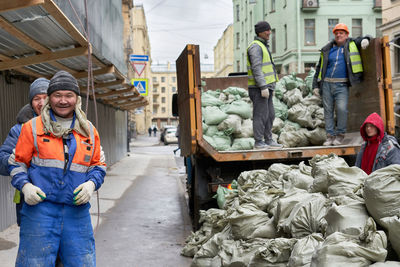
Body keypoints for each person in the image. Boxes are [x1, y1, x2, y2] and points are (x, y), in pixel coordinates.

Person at [8, 70, 106, 266]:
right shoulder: (32, 128)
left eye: (68, 95)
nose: (63, 101)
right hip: (39, 212)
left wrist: (91, 185)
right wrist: (25, 186)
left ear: (76, 99)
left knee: (82, 262)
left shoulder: (88, 130)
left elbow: (98, 165)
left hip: (76, 213)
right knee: (33, 262)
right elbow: (17, 163)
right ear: (50, 99)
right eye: (57, 95)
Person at [0, 77, 49, 226]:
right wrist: (9, 160)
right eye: (36, 98)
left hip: (60, 202)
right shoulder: (19, 130)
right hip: (28, 200)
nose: (41, 103)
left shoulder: (67, 126)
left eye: (45, 97)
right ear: (31, 103)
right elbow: (1, 161)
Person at [312, 23, 371, 146]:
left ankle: (340, 135)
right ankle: (329, 136)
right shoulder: (327, 49)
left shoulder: (351, 44)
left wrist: (367, 39)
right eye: (336, 33)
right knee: (328, 111)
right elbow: (319, 68)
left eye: (341, 33)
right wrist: (315, 86)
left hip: (342, 85)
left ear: (346, 35)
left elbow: (363, 38)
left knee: (341, 109)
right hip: (327, 84)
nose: (339, 35)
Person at [247, 21, 282, 149]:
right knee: (260, 115)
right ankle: (258, 142)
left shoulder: (263, 45)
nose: (269, 33)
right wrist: (262, 86)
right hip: (259, 89)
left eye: (269, 30)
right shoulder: (256, 47)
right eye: (267, 30)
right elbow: (257, 68)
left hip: (267, 88)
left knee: (270, 114)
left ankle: (268, 140)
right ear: (260, 32)